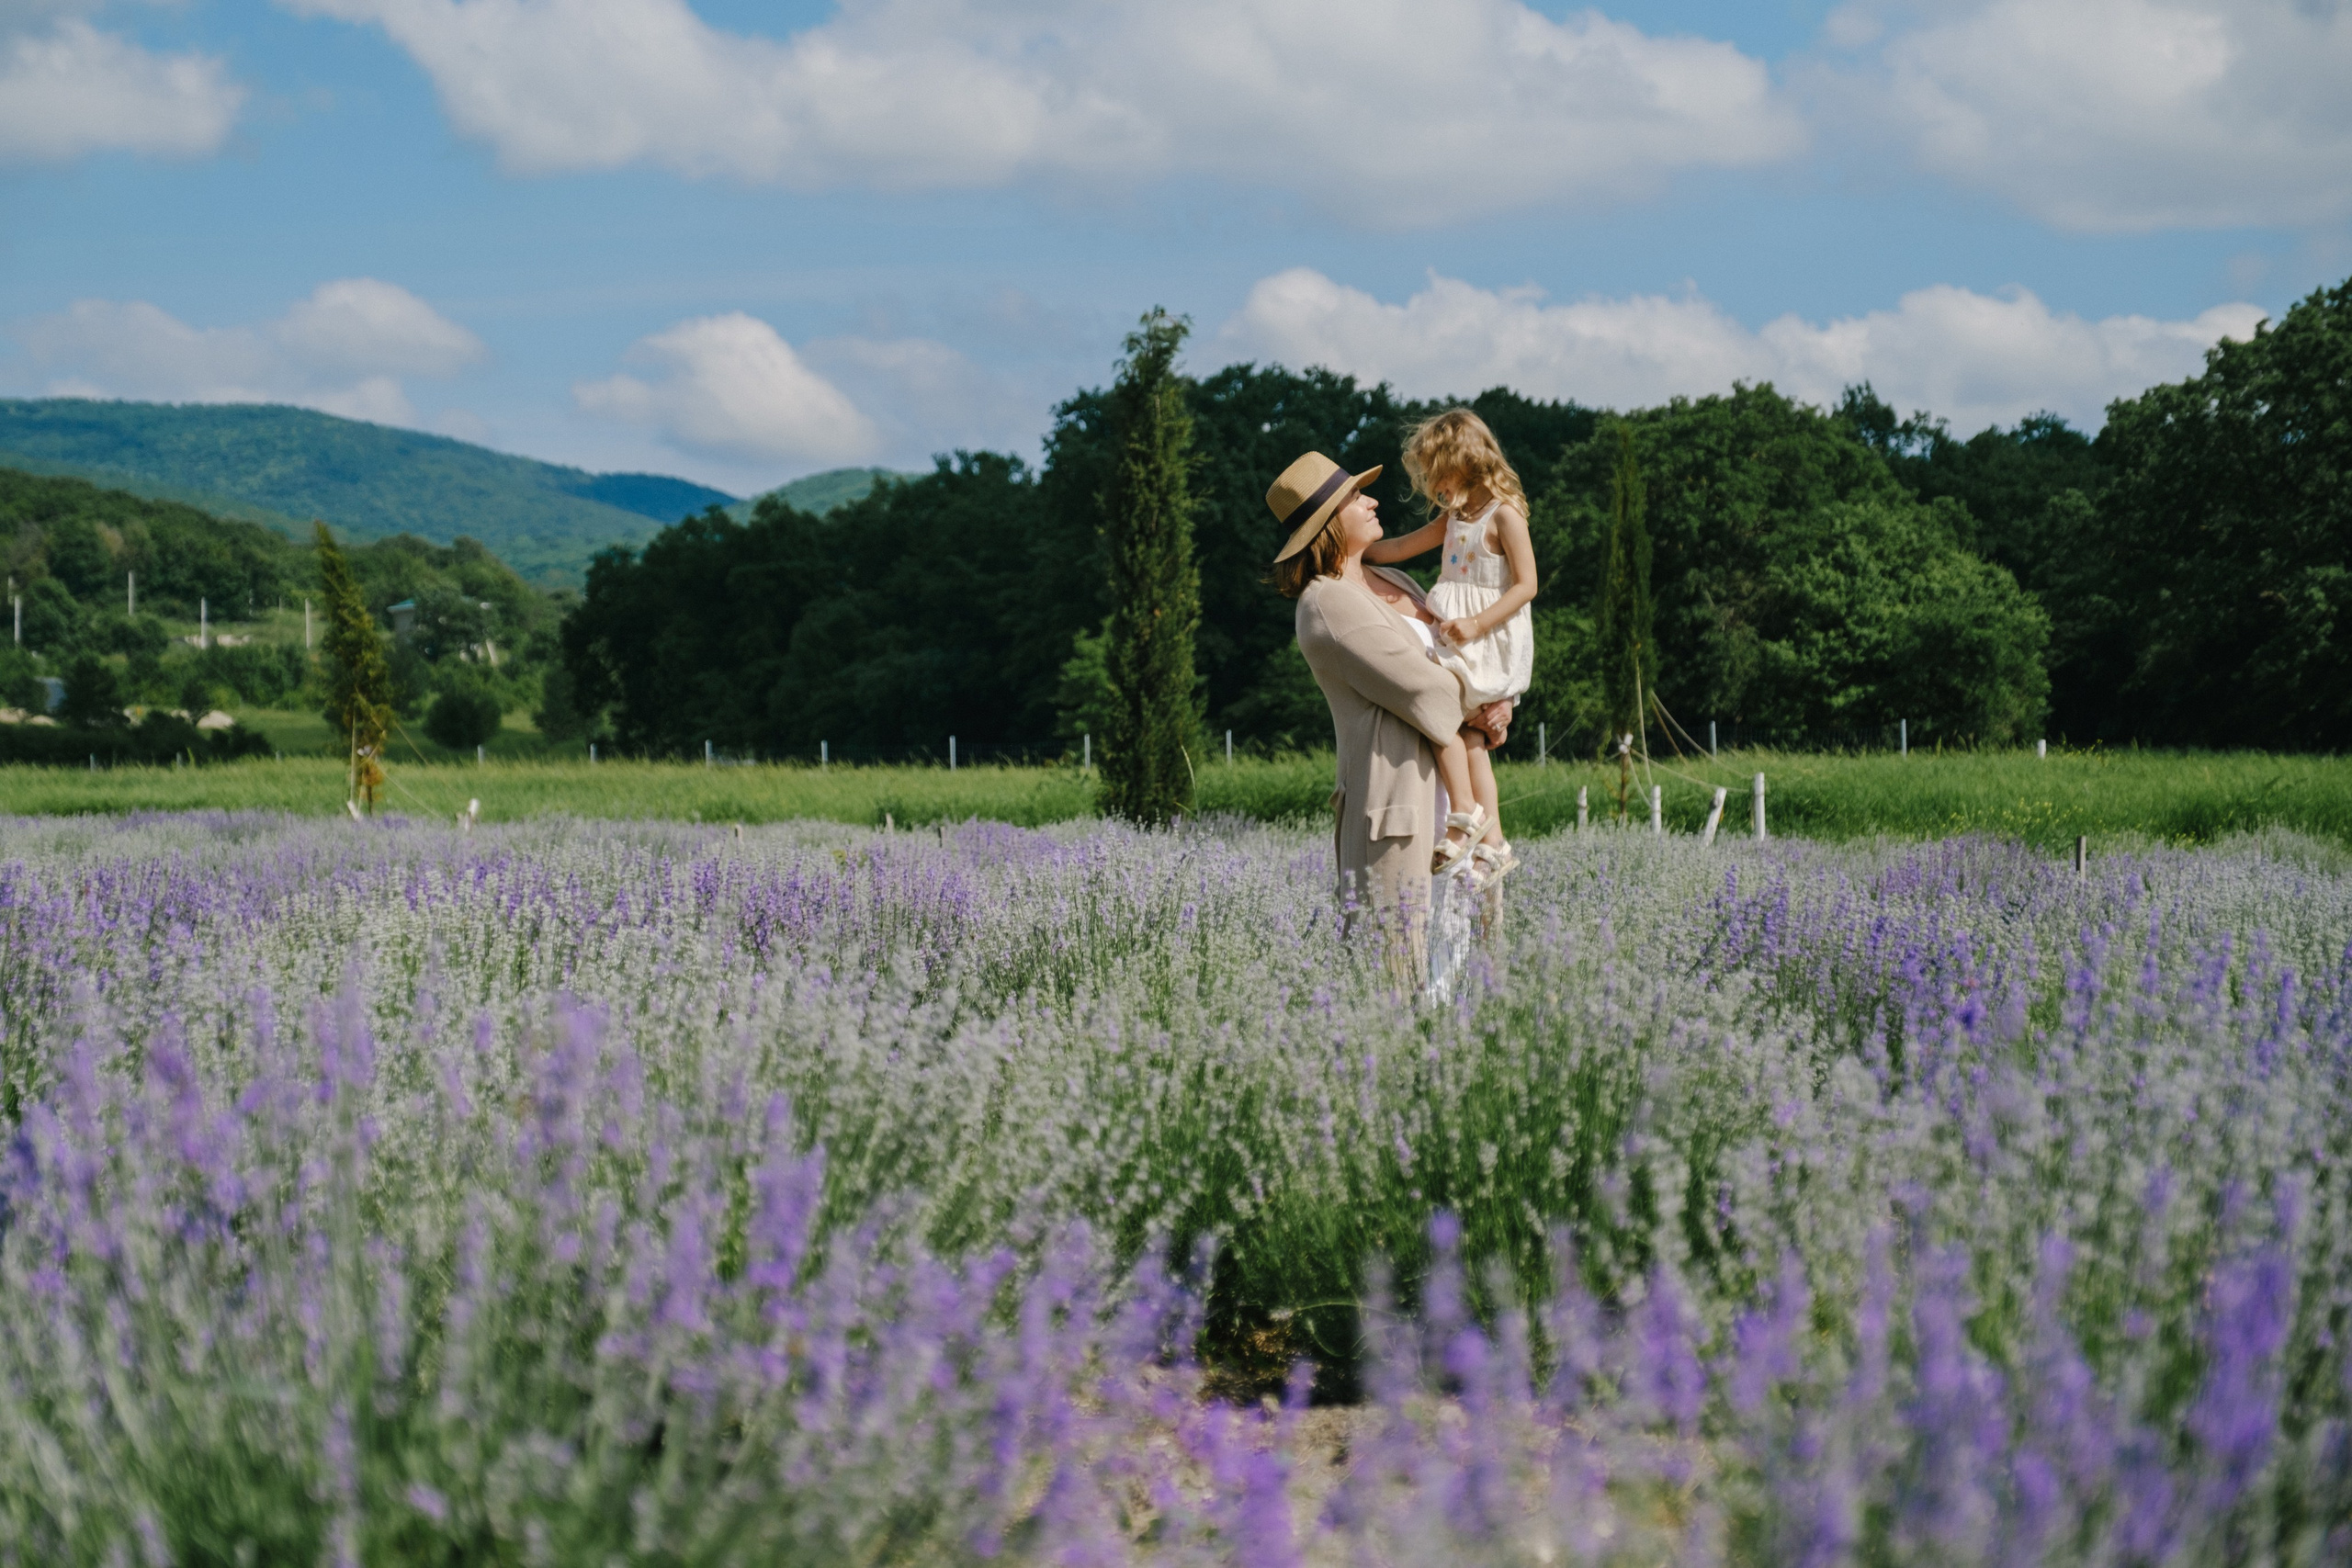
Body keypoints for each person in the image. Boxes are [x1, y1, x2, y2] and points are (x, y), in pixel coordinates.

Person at [1269, 452, 1489, 985]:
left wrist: (1497, 701)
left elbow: (1461, 661)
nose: (1371, 500)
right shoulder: (1326, 605)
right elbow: (1429, 692)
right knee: (1403, 988)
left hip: (1459, 812)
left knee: (1468, 985)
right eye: (1354, 497)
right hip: (1402, 818)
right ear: (1327, 523)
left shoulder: (1391, 579)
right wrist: (1485, 700)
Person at [1364, 409, 1539, 886]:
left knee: (1446, 718)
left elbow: (1527, 586)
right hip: (1459, 635)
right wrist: (1357, 552)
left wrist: (1476, 624)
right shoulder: (1454, 519)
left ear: (1465, 461)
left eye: (1439, 473)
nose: (1435, 486)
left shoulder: (1504, 515)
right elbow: (1401, 547)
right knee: (1469, 738)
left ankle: (1464, 816)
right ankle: (1492, 842)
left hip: (1486, 638)